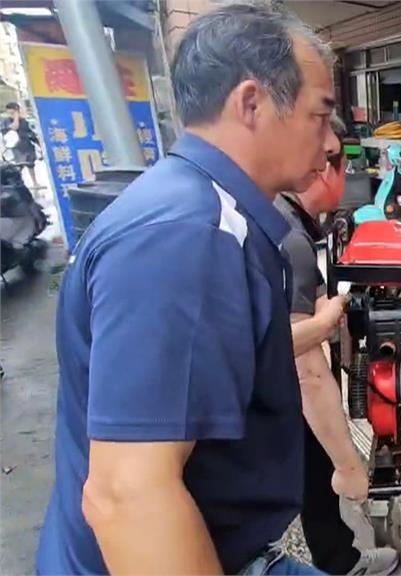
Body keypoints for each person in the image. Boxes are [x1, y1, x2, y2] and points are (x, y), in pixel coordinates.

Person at [36, 5, 340, 574]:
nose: (328, 143)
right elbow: (128, 496)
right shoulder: (186, 236)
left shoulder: (200, 207)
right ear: (251, 104)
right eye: (319, 116)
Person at [274, 112, 399, 576]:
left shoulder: (282, 217)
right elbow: (307, 371)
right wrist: (349, 464)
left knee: (311, 452)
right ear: (324, 168)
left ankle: (341, 560)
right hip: (250, 406)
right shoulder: (291, 240)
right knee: (313, 449)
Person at [3, 102, 42, 190]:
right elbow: (14, 128)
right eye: (10, 113)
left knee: (31, 165)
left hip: (27, 146)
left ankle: (35, 182)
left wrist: (39, 145)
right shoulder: (6, 121)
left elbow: (31, 134)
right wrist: (16, 117)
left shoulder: (24, 121)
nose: (11, 115)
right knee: (17, 166)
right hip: (15, 148)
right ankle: (17, 184)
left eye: (13, 112)